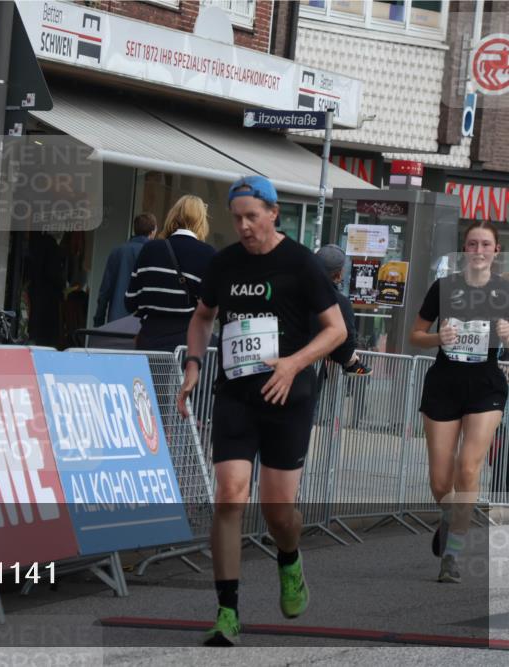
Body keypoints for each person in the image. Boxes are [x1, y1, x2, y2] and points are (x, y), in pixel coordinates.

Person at [177, 176, 346, 646]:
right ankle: (227, 612)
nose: (244, 226)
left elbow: (335, 330)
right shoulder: (224, 263)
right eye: (237, 218)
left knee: (278, 513)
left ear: (274, 213)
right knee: (229, 496)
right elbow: (202, 317)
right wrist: (193, 365)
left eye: (252, 216)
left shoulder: (301, 263)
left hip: (286, 399)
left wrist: (293, 364)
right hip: (236, 396)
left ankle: (289, 558)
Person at [409, 220, 509, 583]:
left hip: (486, 386)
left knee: (468, 469)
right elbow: (415, 334)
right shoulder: (445, 287)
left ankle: (451, 557)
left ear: (496, 250)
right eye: (472, 244)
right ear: (464, 249)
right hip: (444, 385)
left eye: (485, 244)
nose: (479, 250)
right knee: (440, 483)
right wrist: (438, 337)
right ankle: (451, 516)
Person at [126, 195, 216, 351]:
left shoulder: (150, 249)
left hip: (149, 340)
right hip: (185, 345)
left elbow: (130, 301)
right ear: (201, 221)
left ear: (173, 216)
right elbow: (211, 308)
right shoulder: (208, 254)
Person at [313, 244, 372, 376]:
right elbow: (346, 346)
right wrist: (347, 359)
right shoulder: (340, 302)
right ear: (339, 274)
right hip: (306, 372)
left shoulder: (291, 289)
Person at [94, 213, 157, 327]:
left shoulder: (117, 252)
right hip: (143, 324)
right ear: (152, 232)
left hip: (116, 321)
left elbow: (105, 291)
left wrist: (99, 321)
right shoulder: (155, 254)